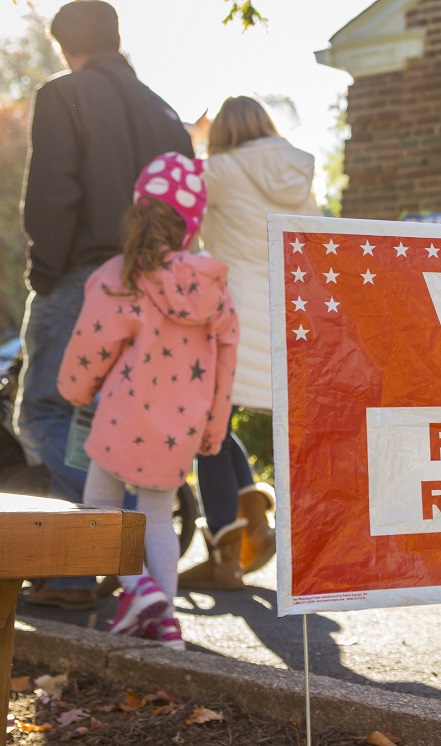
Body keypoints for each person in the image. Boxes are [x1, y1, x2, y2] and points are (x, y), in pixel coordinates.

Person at [16, 0, 194, 610]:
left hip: (84, 276)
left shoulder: (64, 93)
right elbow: (184, 204)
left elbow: (53, 192)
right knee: (101, 424)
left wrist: (44, 273)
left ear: (66, 45)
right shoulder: (165, 111)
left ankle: (106, 550)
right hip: (156, 284)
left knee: (42, 414)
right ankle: (76, 576)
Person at [57, 152, 238, 648]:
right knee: (158, 516)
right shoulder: (214, 287)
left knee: (98, 507)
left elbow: (90, 345)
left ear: (138, 212)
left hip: (120, 418)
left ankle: (139, 591)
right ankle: (166, 627)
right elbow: (226, 363)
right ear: (190, 224)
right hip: (179, 427)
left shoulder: (119, 276)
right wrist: (214, 429)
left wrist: (74, 390)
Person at [179, 96, 320, 590]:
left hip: (231, 317)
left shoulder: (216, 169)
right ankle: (254, 517)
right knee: (218, 425)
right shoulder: (298, 171)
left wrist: (191, 137)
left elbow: (178, 203)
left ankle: (225, 556)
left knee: (206, 429)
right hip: (291, 315)